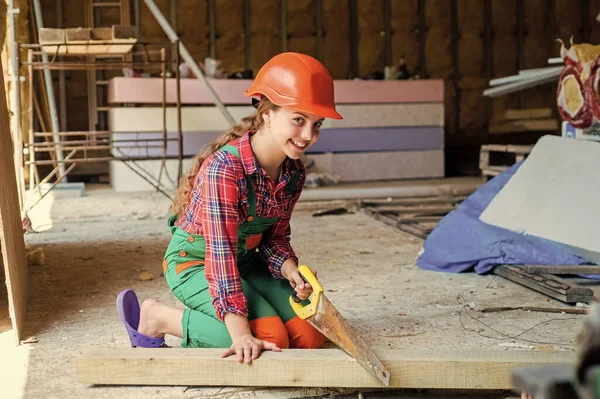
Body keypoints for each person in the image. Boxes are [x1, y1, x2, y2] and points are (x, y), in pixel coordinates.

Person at [116, 52, 343, 365]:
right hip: (196, 264)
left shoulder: (294, 172)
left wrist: (290, 270)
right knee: (268, 340)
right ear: (267, 114)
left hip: (246, 262)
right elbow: (220, 255)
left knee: (309, 336)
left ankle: (242, 315)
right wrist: (239, 334)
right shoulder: (226, 168)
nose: (308, 136)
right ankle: (159, 318)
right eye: (298, 120)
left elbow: (274, 238)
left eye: (316, 124)